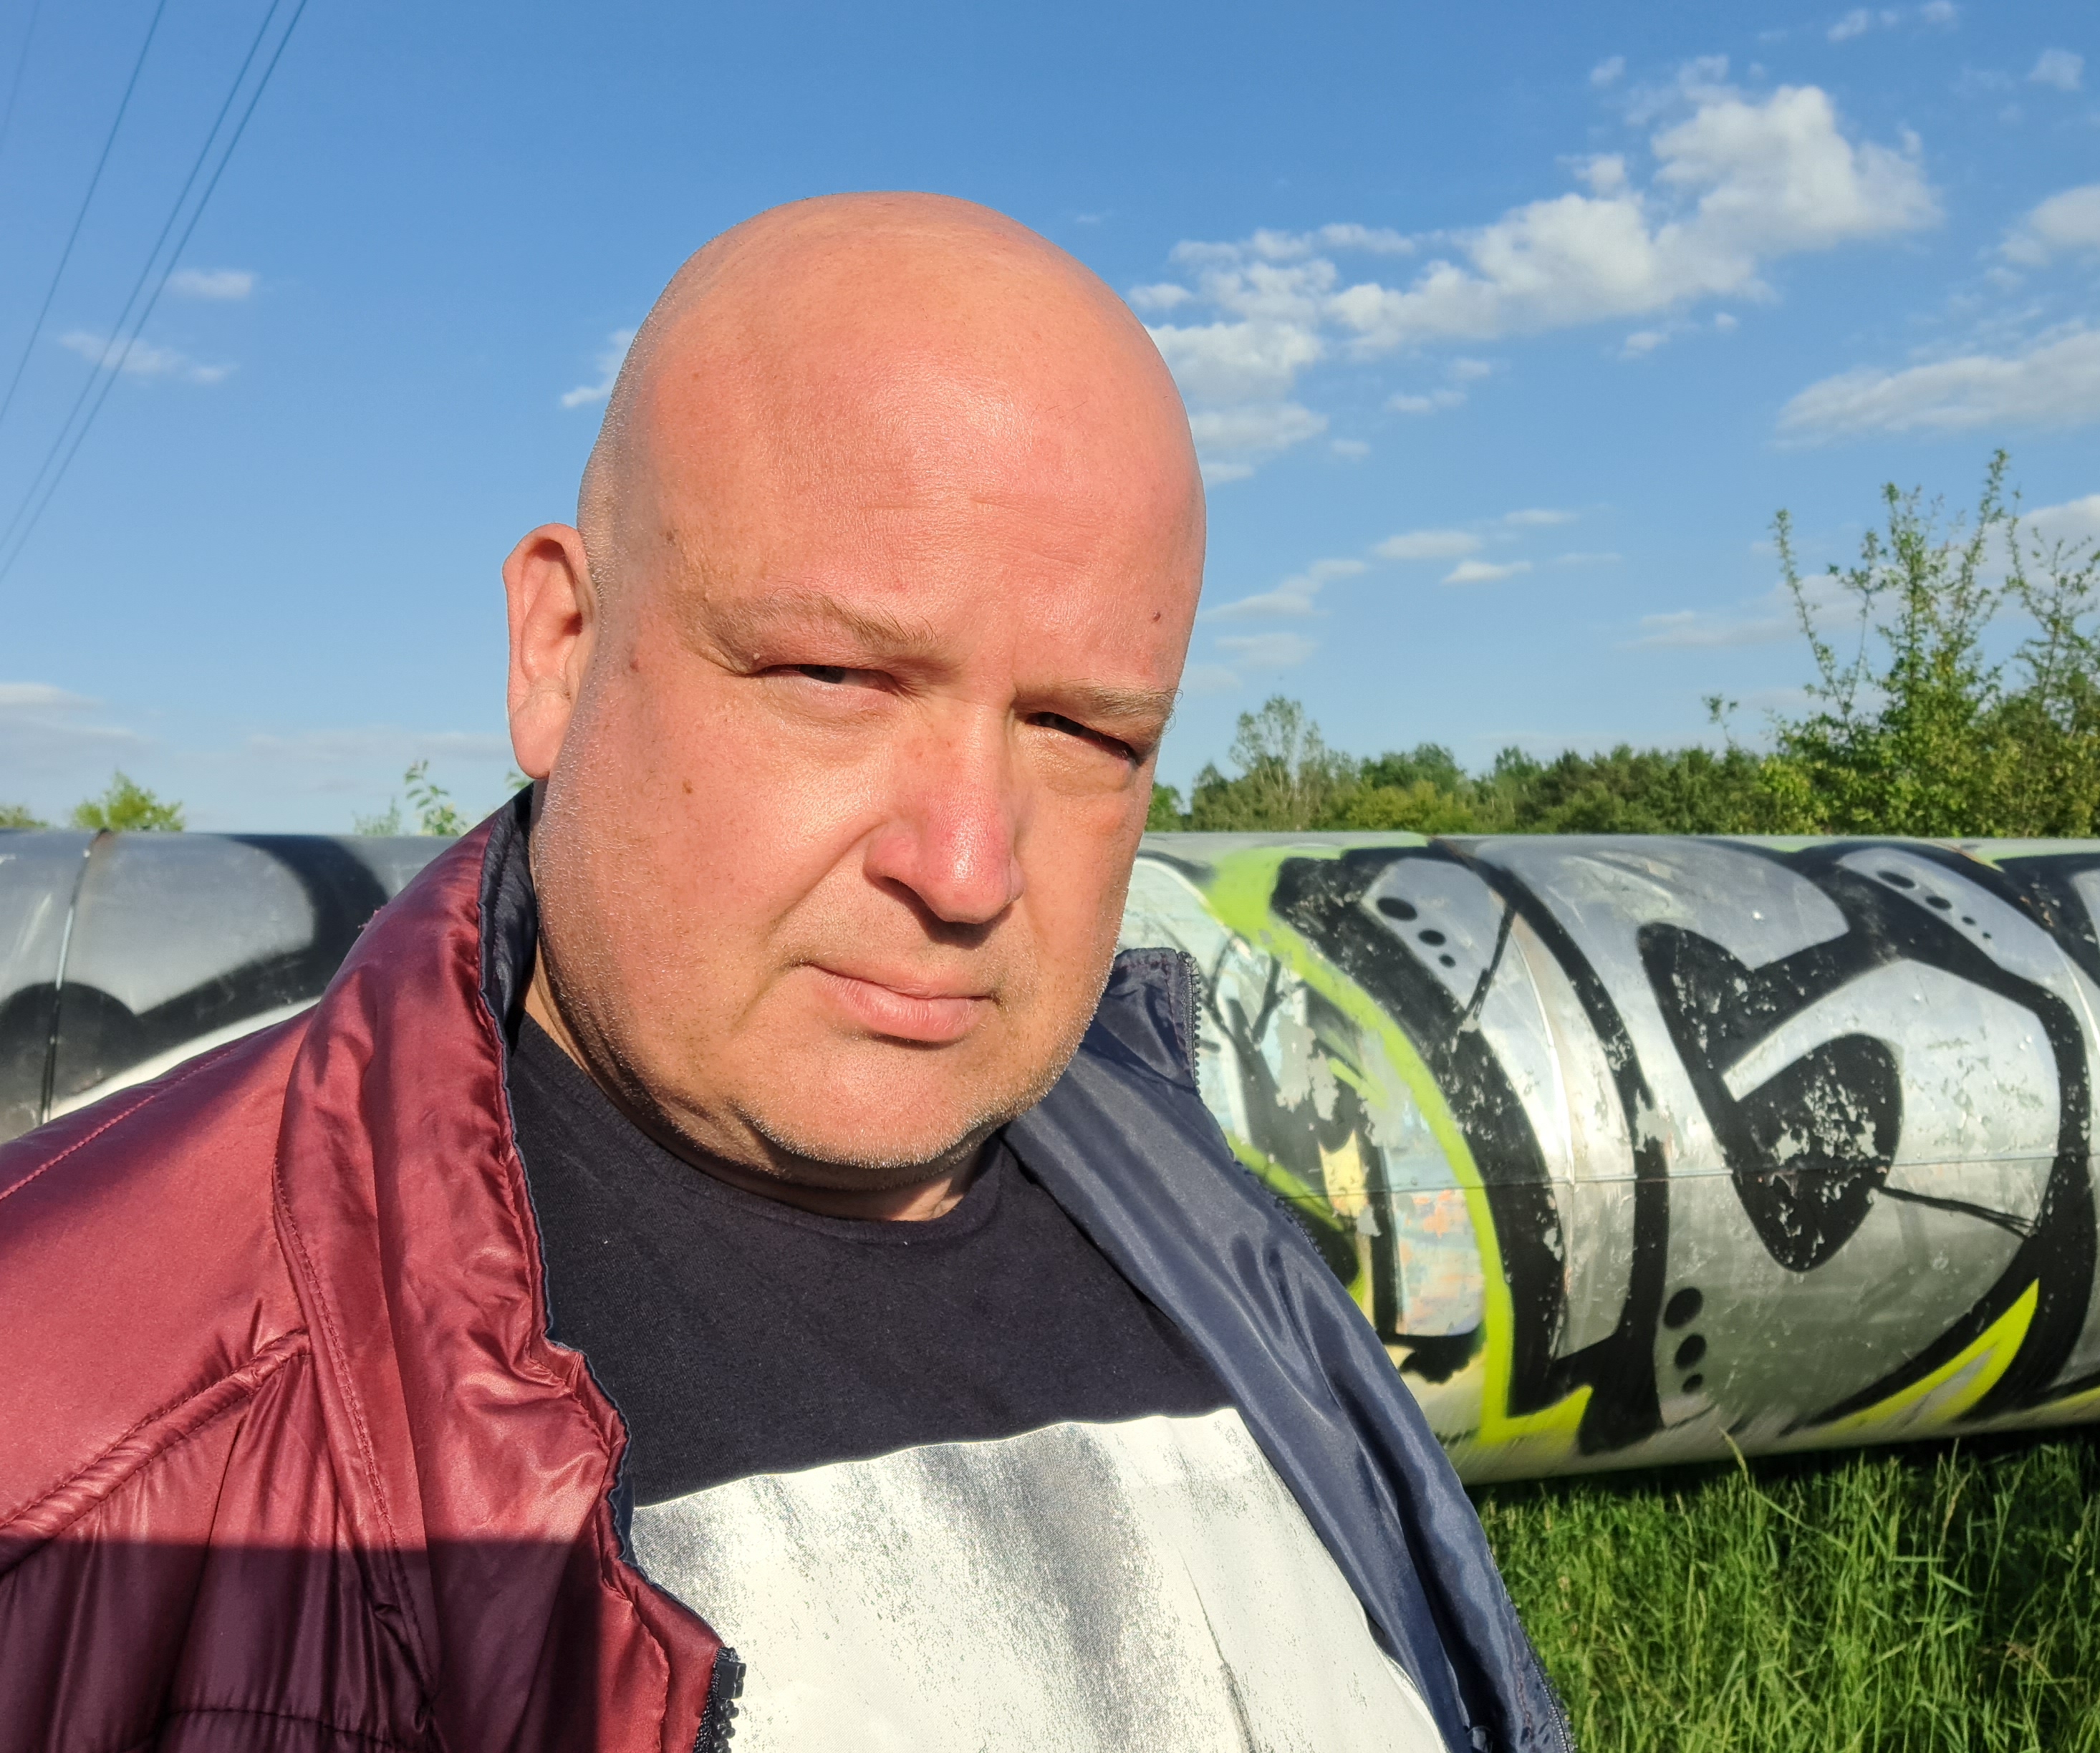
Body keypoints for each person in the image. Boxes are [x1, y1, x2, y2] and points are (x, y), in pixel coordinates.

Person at [0, 194, 1569, 1752]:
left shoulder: (1197, 1212)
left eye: (1086, 732)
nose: (968, 869)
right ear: (560, 648)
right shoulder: (71, 1421)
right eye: (833, 675)